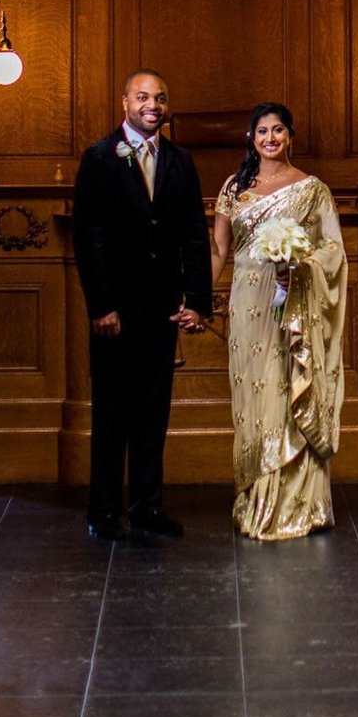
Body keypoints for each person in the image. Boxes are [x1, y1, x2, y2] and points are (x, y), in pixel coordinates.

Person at [72, 70, 214, 540]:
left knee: (154, 414)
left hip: (162, 309)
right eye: (143, 96)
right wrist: (101, 306)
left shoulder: (180, 160)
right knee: (112, 414)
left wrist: (197, 301)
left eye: (160, 97)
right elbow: (87, 238)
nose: (152, 104)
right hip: (115, 310)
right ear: (125, 103)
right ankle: (104, 511)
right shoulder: (98, 158)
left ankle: (148, 506)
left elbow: (196, 233)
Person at [214, 102, 347, 539]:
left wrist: (299, 265)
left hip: (292, 307)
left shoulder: (312, 189)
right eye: (261, 132)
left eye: (278, 130)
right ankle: (257, 498)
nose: (270, 138)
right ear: (250, 138)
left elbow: (333, 251)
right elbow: (218, 252)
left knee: (288, 388)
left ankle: (297, 505)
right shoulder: (234, 189)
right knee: (254, 397)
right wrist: (191, 297)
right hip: (247, 308)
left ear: (290, 135)